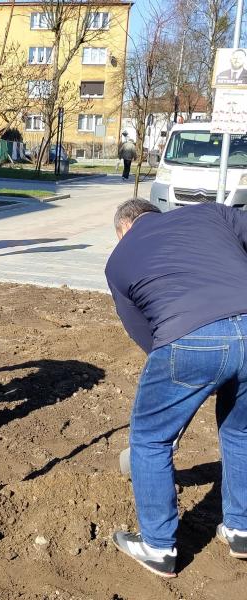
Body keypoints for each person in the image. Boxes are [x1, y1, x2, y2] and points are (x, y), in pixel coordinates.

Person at [105, 198, 247, 577]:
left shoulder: (118, 260)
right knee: (241, 430)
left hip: (188, 337)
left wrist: (195, 372)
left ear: (123, 229)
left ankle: (158, 546)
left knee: (151, 439)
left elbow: (147, 336)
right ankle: (241, 528)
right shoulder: (210, 212)